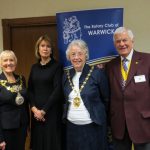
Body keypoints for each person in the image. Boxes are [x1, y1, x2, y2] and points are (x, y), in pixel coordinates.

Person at [106, 27, 150, 150]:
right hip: (119, 125)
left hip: (143, 124)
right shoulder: (110, 66)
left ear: (132, 41)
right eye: (118, 41)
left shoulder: (147, 60)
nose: (122, 44)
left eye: (125, 40)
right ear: (115, 44)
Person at [63, 39, 109, 150]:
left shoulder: (97, 73)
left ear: (86, 55)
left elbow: (106, 99)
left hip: (93, 127)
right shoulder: (66, 75)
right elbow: (64, 100)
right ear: (69, 57)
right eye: (73, 54)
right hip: (71, 128)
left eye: (80, 53)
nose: (76, 57)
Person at [28, 35, 63, 150]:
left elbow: (57, 90)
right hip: (36, 114)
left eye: (48, 46)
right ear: (38, 49)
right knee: (38, 143)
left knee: (51, 143)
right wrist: (34, 109)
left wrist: (43, 111)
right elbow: (30, 90)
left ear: (51, 50)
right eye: (42, 46)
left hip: (51, 113)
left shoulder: (57, 66)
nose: (45, 48)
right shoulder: (34, 68)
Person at [0, 50, 29, 150]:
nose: (9, 63)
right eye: (5, 60)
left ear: (15, 62)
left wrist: (27, 125)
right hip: (6, 129)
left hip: (22, 126)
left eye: (11, 60)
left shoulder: (21, 79)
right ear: (0, 63)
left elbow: (25, 103)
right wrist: (0, 138)